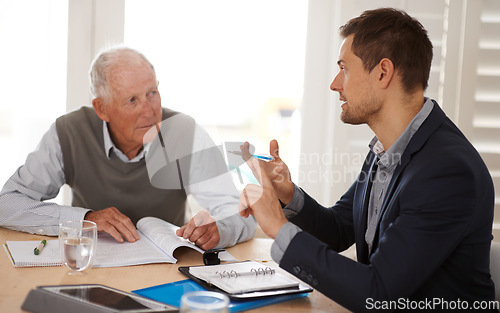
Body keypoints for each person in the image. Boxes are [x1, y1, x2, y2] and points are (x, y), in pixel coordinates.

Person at [238, 8, 497, 312]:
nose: (335, 84)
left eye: (344, 68)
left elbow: (379, 293)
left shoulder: (447, 171)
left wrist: (278, 227)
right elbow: (339, 229)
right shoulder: (388, 149)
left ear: (383, 73)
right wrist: (287, 194)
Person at [0, 47, 255, 250]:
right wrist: (85, 219)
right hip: (90, 264)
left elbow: (239, 213)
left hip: (166, 269)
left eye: (152, 93)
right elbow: (7, 204)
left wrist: (220, 229)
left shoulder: (185, 132)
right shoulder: (68, 132)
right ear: (102, 109)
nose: (149, 110)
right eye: (132, 100)